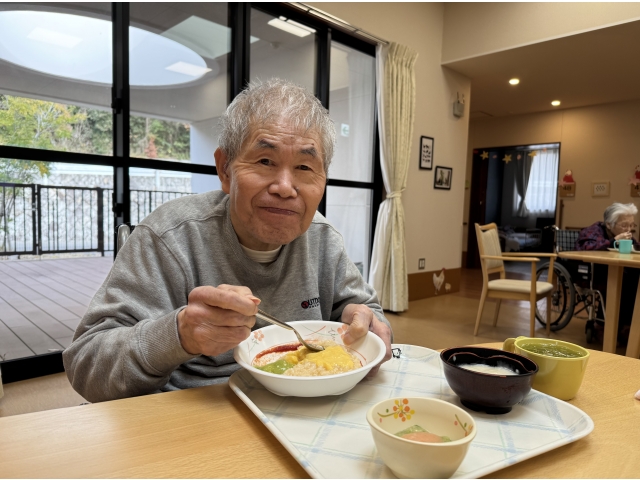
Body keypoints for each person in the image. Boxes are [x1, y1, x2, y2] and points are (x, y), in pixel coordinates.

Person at [63, 79, 393, 402]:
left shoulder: (323, 238)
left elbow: (369, 316)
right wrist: (179, 334)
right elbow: (86, 365)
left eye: (305, 166)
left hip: (301, 407)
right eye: (265, 161)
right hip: (195, 413)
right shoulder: (168, 237)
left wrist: (365, 322)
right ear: (225, 169)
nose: (284, 187)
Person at [575, 202, 639, 345]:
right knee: (619, 282)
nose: (629, 229)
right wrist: (614, 241)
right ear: (609, 224)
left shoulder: (627, 236)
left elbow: (636, 247)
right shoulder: (592, 231)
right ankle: (602, 326)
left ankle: (627, 326)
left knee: (635, 279)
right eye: (624, 225)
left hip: (619, 271)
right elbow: (587, 249)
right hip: (593, 274)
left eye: (632, 225)